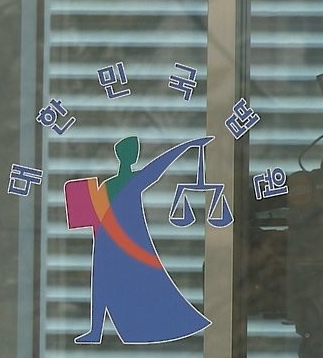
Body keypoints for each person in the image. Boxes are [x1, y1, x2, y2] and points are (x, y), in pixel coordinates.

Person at [64, 135, 213, 344]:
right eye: (132, 151)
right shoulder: (124, 182)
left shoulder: (114, 183)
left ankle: (97, 331)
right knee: (102, 285)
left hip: (118, 243)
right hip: (113, 242)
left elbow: (156, 168)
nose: (133, 154)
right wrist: (186, 146)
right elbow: (157, 168)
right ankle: (95, 331)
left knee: (106, 285)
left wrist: (186, 146)